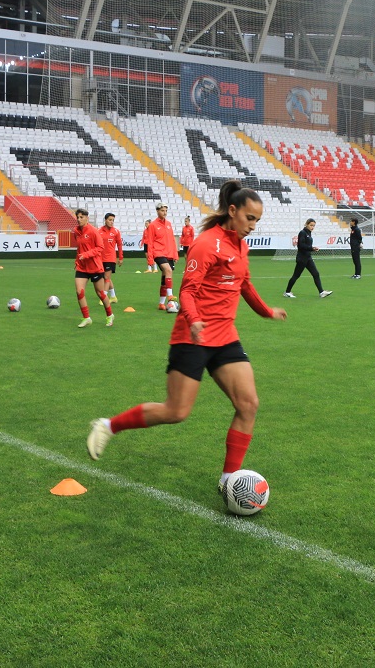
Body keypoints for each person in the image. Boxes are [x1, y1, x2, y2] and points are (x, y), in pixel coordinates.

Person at [86, 180, 287, 495]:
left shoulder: (241, 245)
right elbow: (187, 291)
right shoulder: (207, 243)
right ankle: (107, 426)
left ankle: (228, 482)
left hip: (224, 338)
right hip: (192, 336)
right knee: (176, 412)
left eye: (257, 220)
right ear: (232, 211)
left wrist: (266, 312)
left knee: (248, 404)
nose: (253, 226)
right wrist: (193, 320)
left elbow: (245, 285)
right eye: (250, 218)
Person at [74, 208, 114, 328]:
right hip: (81, 267)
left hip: (95, 267)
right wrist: (77, 259)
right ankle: (86, 318)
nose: (79, 219)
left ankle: (110, 315)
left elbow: (100, 247)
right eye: (78, 217)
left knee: (100, 293)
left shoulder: (93, 231)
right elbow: (80, 248)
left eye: (81, 217)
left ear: (87, 218)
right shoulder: (76, 231)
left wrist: (86, 255)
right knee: (79, 291)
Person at [284, 219, 332, 299]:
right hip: (302, 258)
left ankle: (321, 292)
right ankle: (287, 292)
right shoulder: (302, 233)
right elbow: (301, 246)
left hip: (308, 258)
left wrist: (311, 249)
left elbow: (307, 247)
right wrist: (312, 248)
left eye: (313, 226)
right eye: (311, 225)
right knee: (296, 275)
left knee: (316, 273)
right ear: (306, 224)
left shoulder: (309, 233)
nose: (312, 227)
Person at [150, 202, 180, 310]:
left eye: (166, 211)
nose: (165, 213)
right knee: (168, 270)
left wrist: (175, 254)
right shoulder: (153, 225)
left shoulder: (168, 224)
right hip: (158, 252)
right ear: (157, 211)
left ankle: (161, 303)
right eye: (162, 210)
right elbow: (150, 242)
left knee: (164, 278)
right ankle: (170, 295)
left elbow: (172, 240)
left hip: (169, 253)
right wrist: (150, 258)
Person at [100, 212, 124, 304]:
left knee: (106, 277)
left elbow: (120, 245)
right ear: (105, 220)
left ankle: (104, 297)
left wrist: (121, 257)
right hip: (101, 258)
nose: (111, 222)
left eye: (113, 220)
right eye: (110, 220)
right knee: (106, 278)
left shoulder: (116, 231)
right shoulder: (99, 231)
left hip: (110, 258)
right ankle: (113, 296)